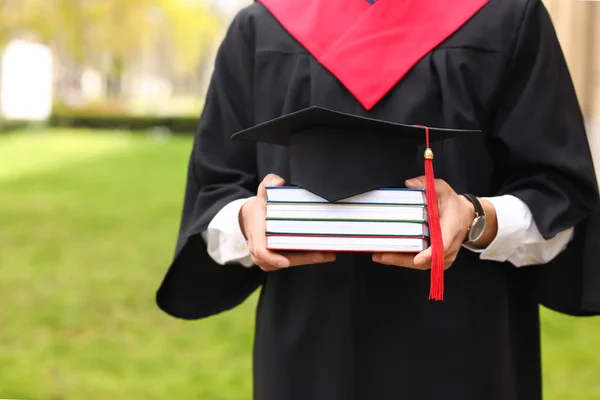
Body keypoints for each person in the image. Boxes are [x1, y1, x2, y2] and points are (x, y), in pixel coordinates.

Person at [156, 0, 600, 399]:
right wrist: (248, 221)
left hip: (467, 353)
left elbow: (559, 199)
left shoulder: (506, 17)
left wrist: (476, 218)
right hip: (307, 354)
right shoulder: (262, 25)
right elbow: (215, 195)